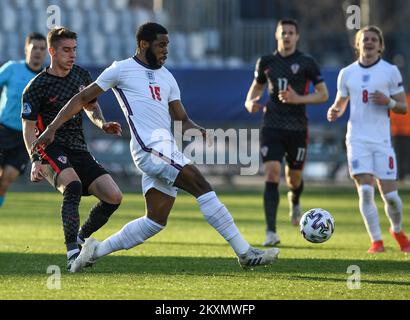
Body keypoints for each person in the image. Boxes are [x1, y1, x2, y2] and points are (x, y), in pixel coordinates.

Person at [31, 22, 280, 272]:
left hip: (165, 148)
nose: (165, 50)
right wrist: (52, 128)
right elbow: (83, 98)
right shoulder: (121, 69)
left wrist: (197, 129)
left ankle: (94, 251)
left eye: (167, 45)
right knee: (202, 186)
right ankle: (245, 252)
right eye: (161, 45)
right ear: (143, 44)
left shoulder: (167, 77)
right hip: (148, 148)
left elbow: (180, 117)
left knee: (155, 221)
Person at [22, 27, 123, 270]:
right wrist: (35, 159)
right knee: (73, 186)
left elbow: (90, 106)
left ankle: (80, 236)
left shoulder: (81, 75)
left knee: (114, 197)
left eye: (74, 50)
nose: (72, 55)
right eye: (66, 50)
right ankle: (71, 252)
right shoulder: (36, 87)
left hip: (78, 148)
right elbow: (28, 128)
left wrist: (102, 123)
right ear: (52, 51)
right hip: (50, 147)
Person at [244, 19, 329, 246]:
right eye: (283, 32)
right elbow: (257, 87)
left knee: (294, 178)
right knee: (272, 173)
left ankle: (295, 199)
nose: (287, 36)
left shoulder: (306, 62)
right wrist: (250, 101)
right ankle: (271, 232)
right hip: (271, 126)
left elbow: (323, 95)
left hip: (297, 128)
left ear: (297, 36)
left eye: (291, 33)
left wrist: (298, 98)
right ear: (276, 35)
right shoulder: (266, 62)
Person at [327, 25, 410, 253]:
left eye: (374, 39)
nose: (370, 42)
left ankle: (397, 230)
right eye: (365, 39)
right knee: (365, 191)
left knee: (391, 197)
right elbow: (340, 103)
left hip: (382, 142)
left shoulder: (390, 71)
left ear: (381, 46)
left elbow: (403, 107)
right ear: (358, 44)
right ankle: (376, 241)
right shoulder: (347, 73)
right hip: (357, 139)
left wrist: (389, 103)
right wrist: (334, 110)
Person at [0, 32, 47, 208]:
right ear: (26, 49)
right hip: (3, 129)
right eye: (34, 47)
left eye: (42, 48)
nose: (38, 52)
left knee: (6, 180)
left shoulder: (46, 78)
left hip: (25, 137)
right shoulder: (12, 68)